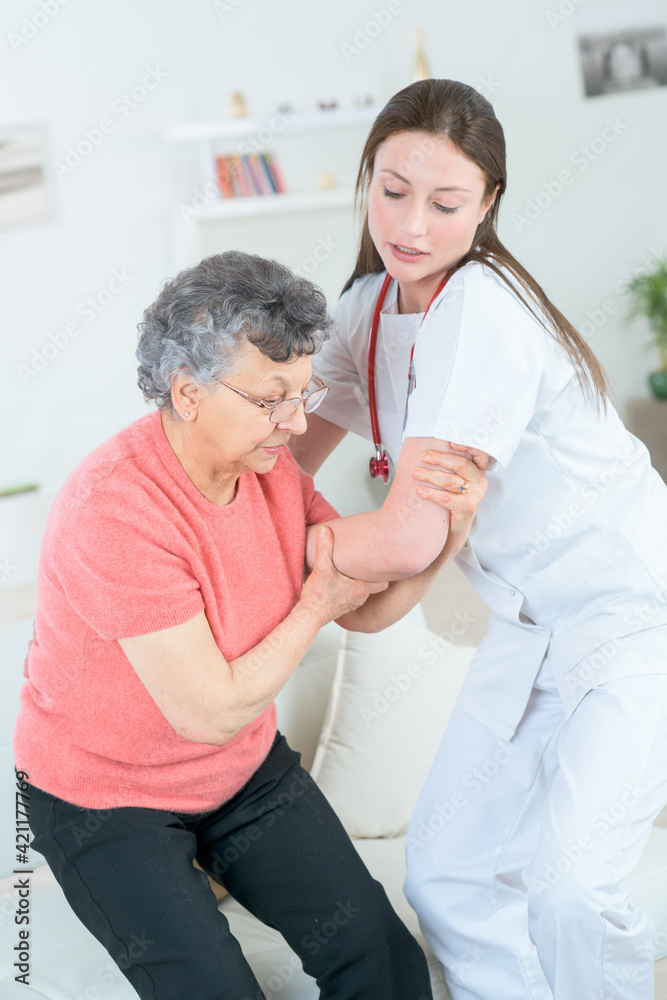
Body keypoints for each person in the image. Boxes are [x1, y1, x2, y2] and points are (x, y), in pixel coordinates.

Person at [15, 250, 488, 1000]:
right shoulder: (115, 508)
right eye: (272, 400)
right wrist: (315, 602)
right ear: (188, 392)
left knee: (381, 957)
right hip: (107, 799)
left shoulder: (272, 475)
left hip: (240, 773)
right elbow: (207, 710)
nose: (296, 424)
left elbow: (363, 610)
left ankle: (217, 868)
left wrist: (450, 541)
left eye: (303, 394)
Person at [289, 79, 667, 1000]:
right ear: (366, 180)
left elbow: (412, 533)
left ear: (488, 203)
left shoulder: (484, 310)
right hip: (523, 623)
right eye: (391, 191)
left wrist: (309, 557)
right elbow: (276, 463)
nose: (411, 223)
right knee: (447, 878)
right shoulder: (369, 308)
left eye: (446, 202)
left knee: (569, 889)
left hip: (631, 619)